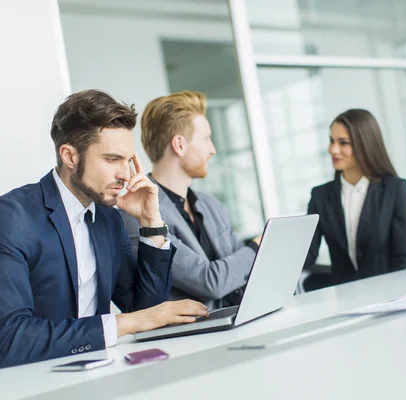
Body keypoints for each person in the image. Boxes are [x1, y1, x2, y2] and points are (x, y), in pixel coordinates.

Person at [0, 90, 208, 368]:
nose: (126, 174)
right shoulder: (13, 217)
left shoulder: (108, 218)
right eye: (112, 159)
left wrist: (151, 223)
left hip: (98, 371)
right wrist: (124, 323)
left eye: (128, 160)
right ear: (70, 156)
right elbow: (10, 339)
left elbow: (145, 312)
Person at [119, 91, 260, 310]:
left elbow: (242, 269)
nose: (212, 149)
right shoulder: (138, 214)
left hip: (240, 317)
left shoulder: (210, 204)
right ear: (179, 145)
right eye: (205, 139)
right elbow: (209, 281)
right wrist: (256, 248)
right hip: (192, 338)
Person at [304, 109, 406, 287]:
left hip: (389, 295)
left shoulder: (394, 190)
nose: (333, 149)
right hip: (343, 300)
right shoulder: (320, 196)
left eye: (343, 143)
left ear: (365, 144)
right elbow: (306, 256)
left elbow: (404, 260)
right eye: (331, 141)